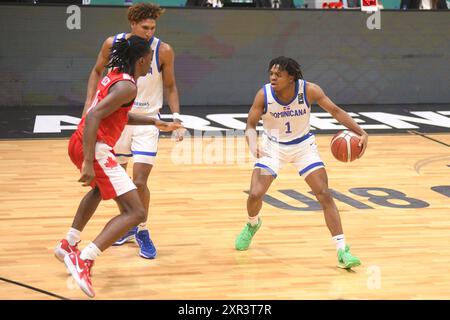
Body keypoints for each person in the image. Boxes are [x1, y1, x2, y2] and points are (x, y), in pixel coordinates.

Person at [55, 36, 183, 298]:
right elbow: (93, 115)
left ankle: (68, 244)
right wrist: (90, 161)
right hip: (94, 145)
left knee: (100, 191)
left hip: (79, 140)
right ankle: (85, 259)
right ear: (141, 59)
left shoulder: (117, 75)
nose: (152, 61)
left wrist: (154, 123)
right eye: (149, 57)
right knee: (136, 212)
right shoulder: (128, 87)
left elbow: (119, 113)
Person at [235, 57, 368, 269]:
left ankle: (342, 250)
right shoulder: (264, 94)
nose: (273, 78)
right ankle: (252, 224)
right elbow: (250, 124)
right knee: (255, 194)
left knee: (324, 193)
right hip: (273, 147)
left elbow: (335, 111)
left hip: (303, 147)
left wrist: (361, 132)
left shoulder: (309, 90)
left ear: (291, 77)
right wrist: (252, 142)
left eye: (278, 75)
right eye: (271, 74)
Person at [82, 3, 184, 260]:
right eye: (144, 27)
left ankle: (141, 228)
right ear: (132, 25)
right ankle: (127, 224)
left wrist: (177, 117)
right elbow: (96, 72)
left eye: (153, 27)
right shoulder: (113, 44)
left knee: (139, 181)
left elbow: (170, 86)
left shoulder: (163, 50)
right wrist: (88, 105)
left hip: (147, 120)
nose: (149, 32)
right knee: (120, 181)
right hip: (117, 120)